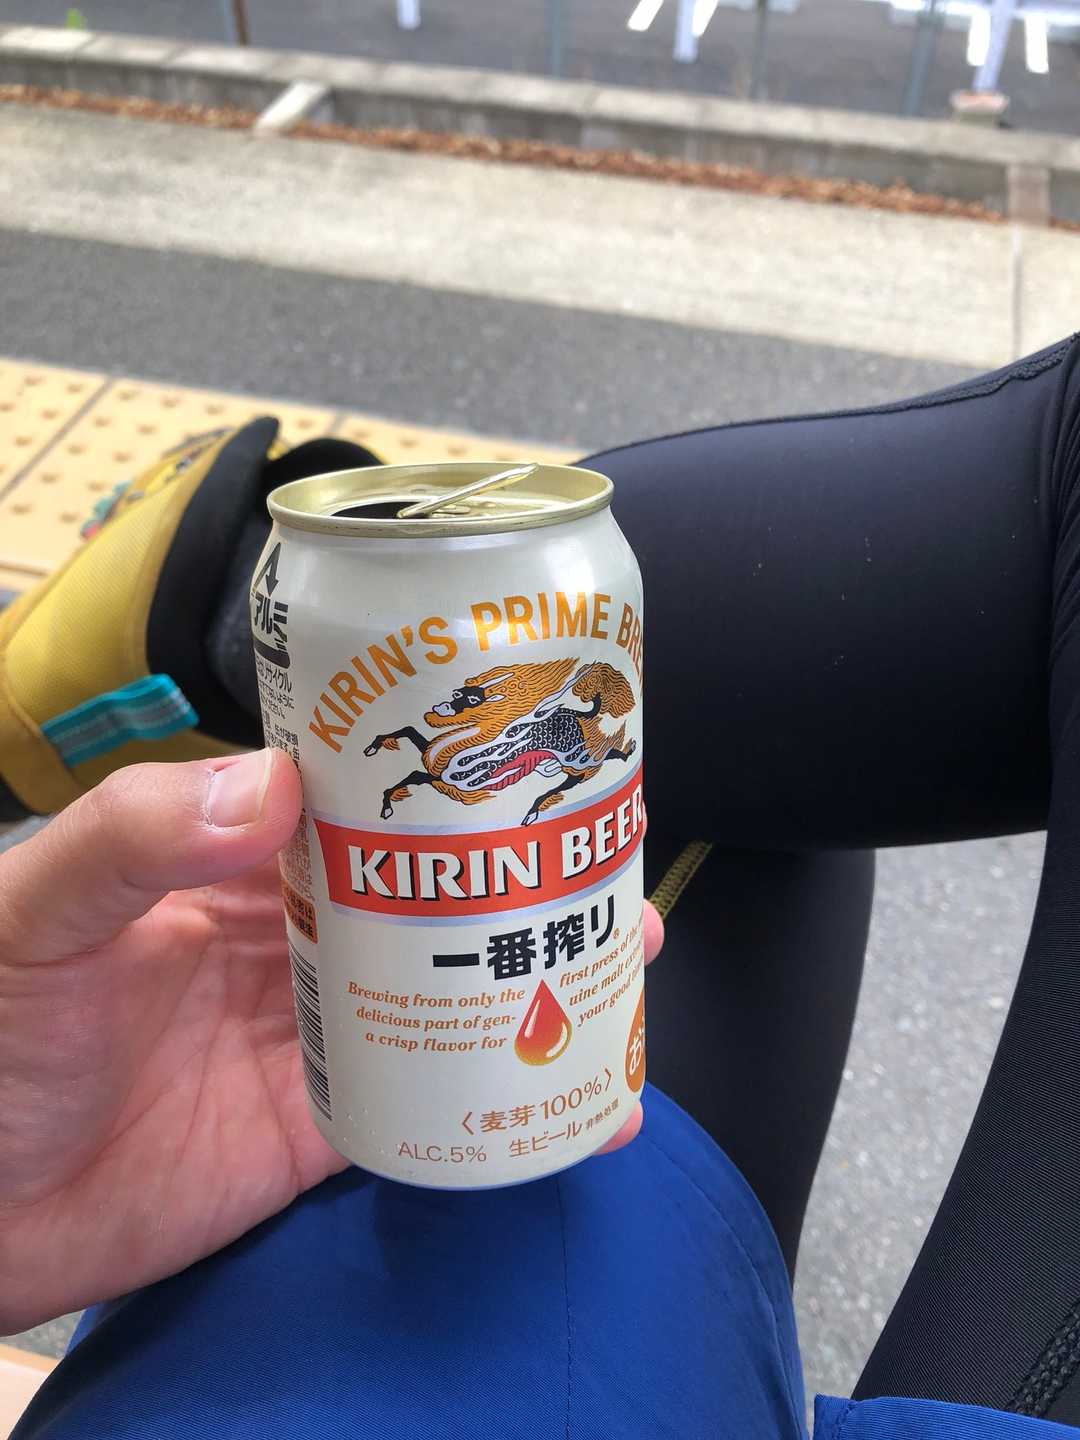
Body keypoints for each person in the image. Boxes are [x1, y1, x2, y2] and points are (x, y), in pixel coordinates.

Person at [5, 334, 1080, 1437]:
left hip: (269, 1306)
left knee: (703, 779)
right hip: (574, 1327)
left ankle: (211, 634)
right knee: (768, 777)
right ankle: (225, 626)